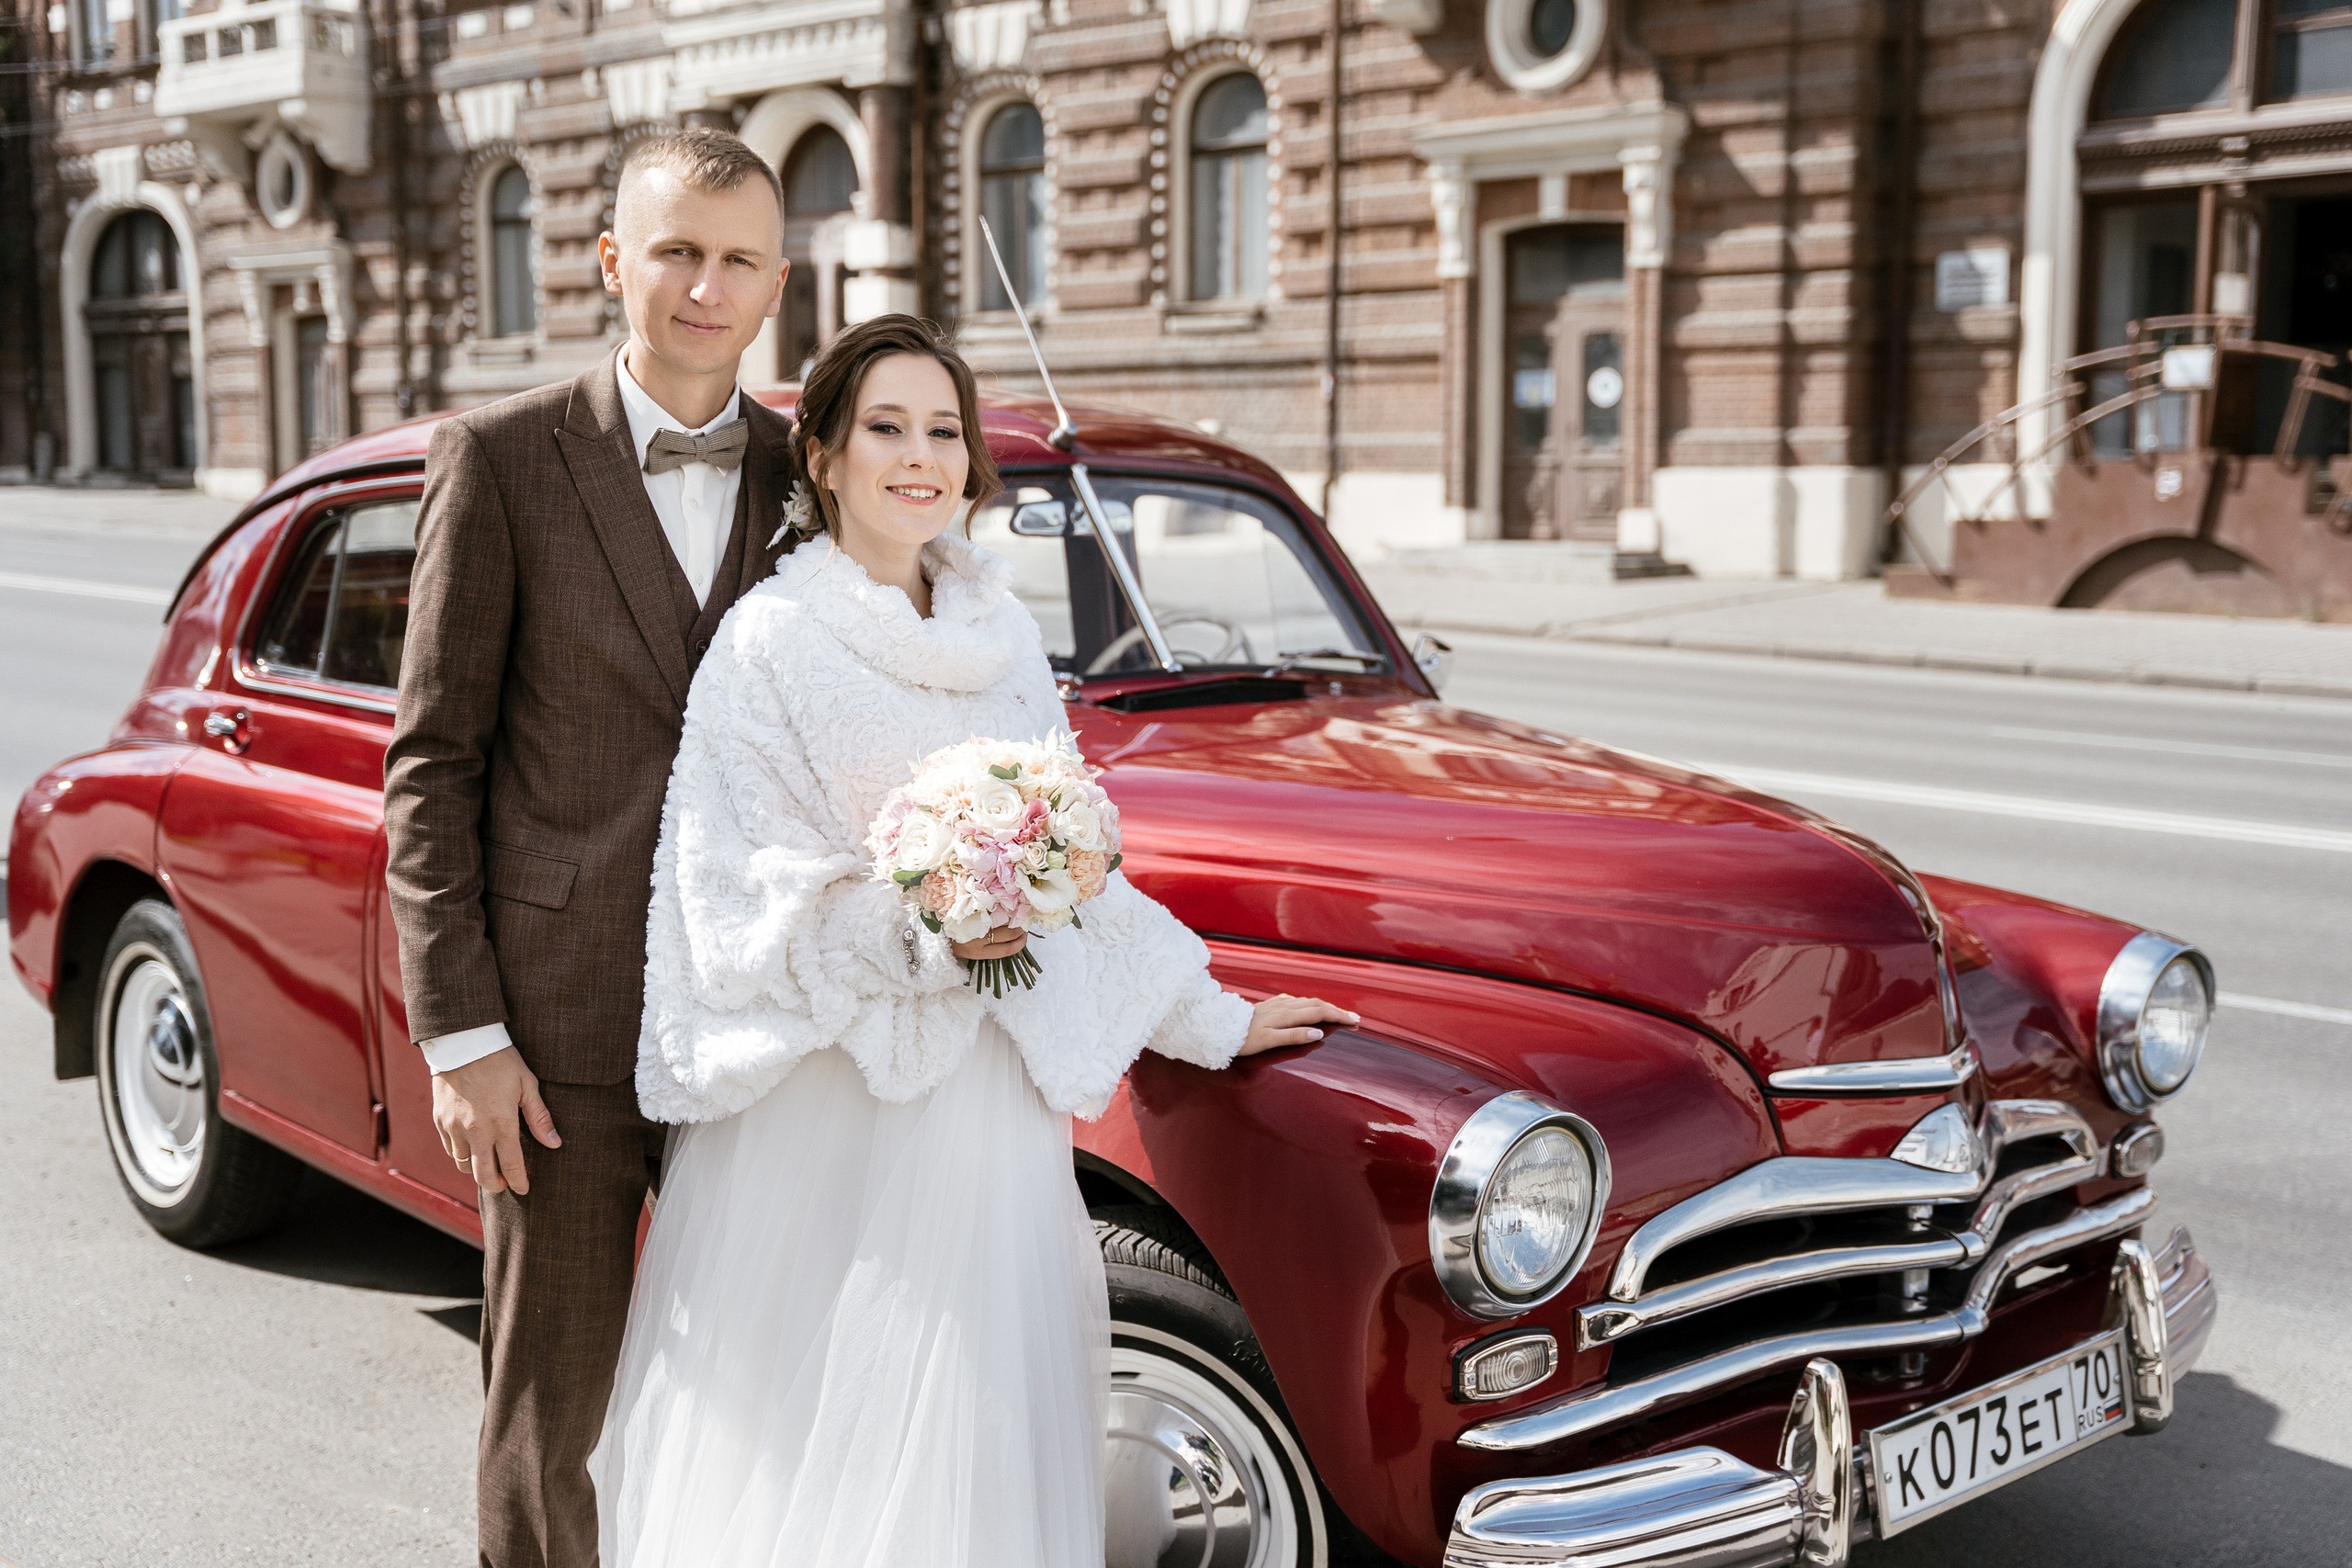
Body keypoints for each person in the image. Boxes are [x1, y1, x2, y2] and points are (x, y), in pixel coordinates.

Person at [586, 314, 1358, 1565]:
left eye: (942, 430)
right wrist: (930, 912)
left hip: (985, 1106)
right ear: (824, 457)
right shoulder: (769, 641)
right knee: (819, 1420)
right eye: (884, 428)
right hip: (833, 1099)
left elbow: (1075, 868)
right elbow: (736, 879)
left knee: (976, 1414)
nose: (919, 458)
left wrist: (1210, 1014)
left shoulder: (1003, 638)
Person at [382, 126, 795, 1568]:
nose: (705, 286)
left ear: (776, 281)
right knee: (552, 1403)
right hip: (556, 1031)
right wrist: (460, 1033)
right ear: (615, 259)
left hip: (761, 1019)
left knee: (751, 1384)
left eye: (738, 258)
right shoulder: (497, 460)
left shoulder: (815, 473)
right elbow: (432, 766)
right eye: (677, 249)